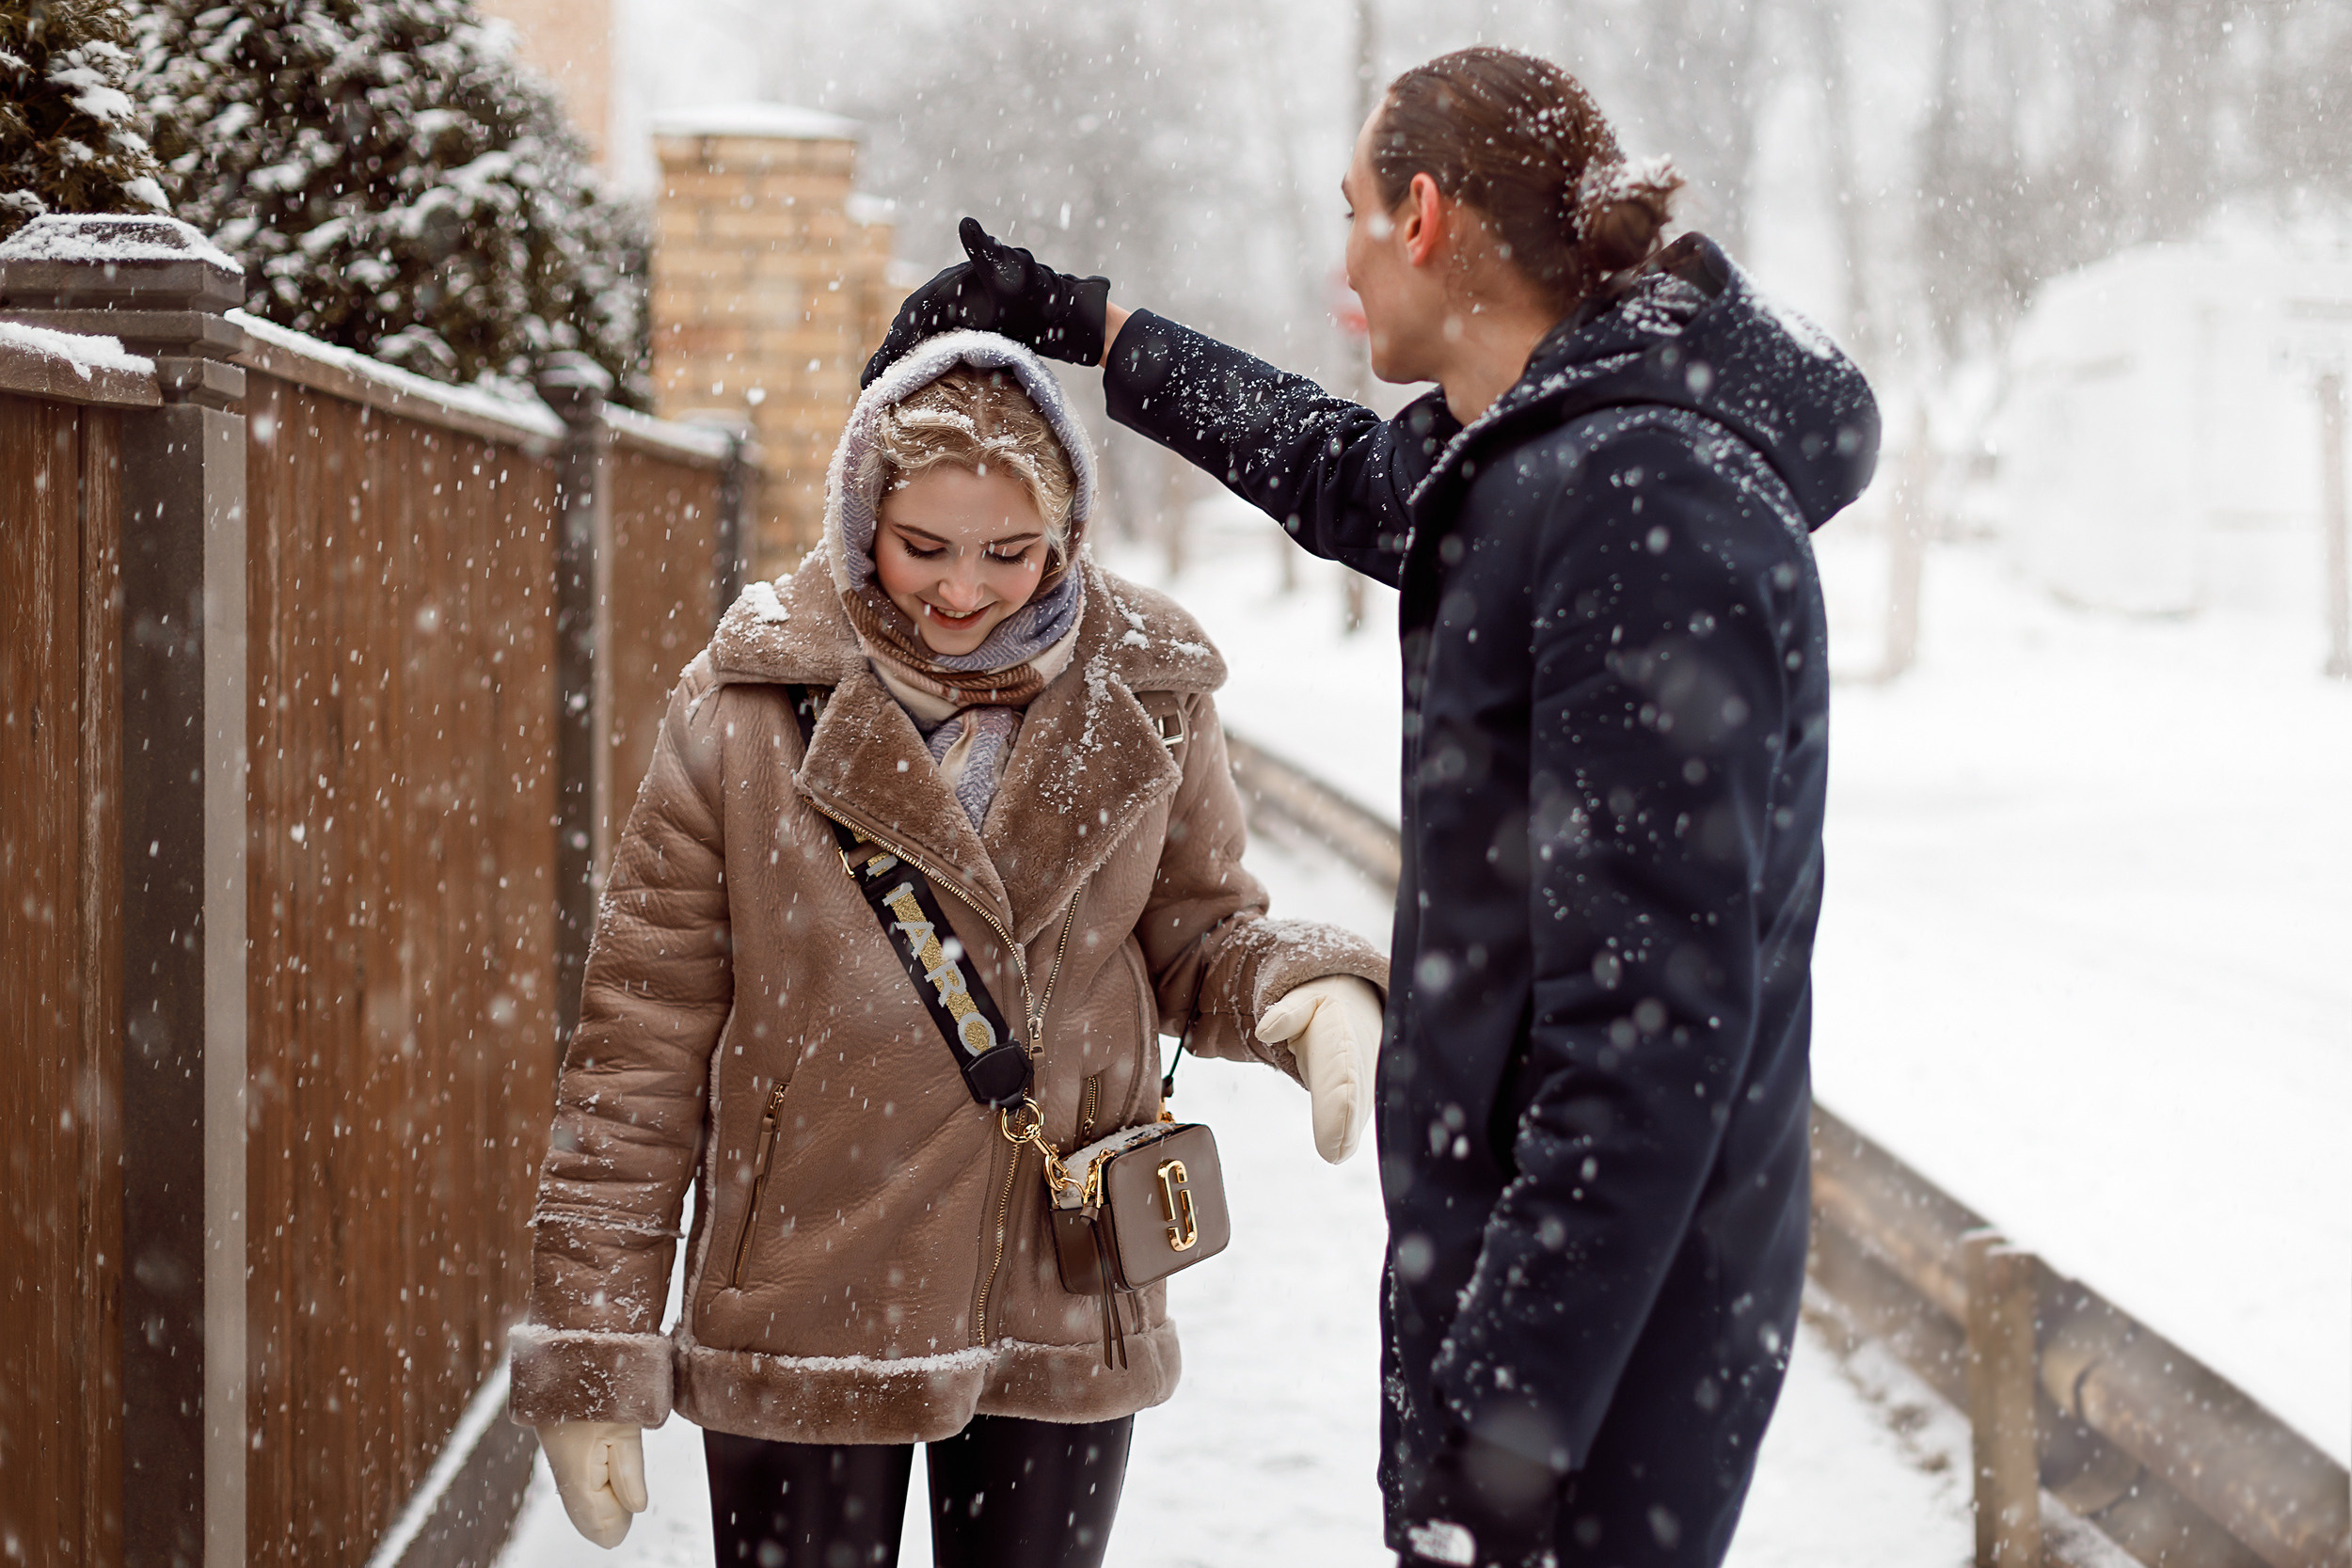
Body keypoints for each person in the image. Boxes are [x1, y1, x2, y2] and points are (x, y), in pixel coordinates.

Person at [861, 45, 1880, 1568]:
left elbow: (1655, 1037)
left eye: (1353, 211)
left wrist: (1502, 1436)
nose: (1337, 254)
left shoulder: (1645, 508)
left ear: (1423, 217)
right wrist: (1090, 325)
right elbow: (1335, 469)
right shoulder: (1545, 457)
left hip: (1603, 1360)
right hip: (1532, 1291)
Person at [505, 330, 1390, 1567]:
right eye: (923, 547)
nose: (964, 591)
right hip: (804, 1298)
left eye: (1008, 552)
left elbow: (1200, 933)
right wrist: (594, 1345)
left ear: (1066, 534)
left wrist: (1302, 988)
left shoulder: (1149, 693)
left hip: (1062, 1280)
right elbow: (636, 1055)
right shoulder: (748, 709)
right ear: (861, 514)